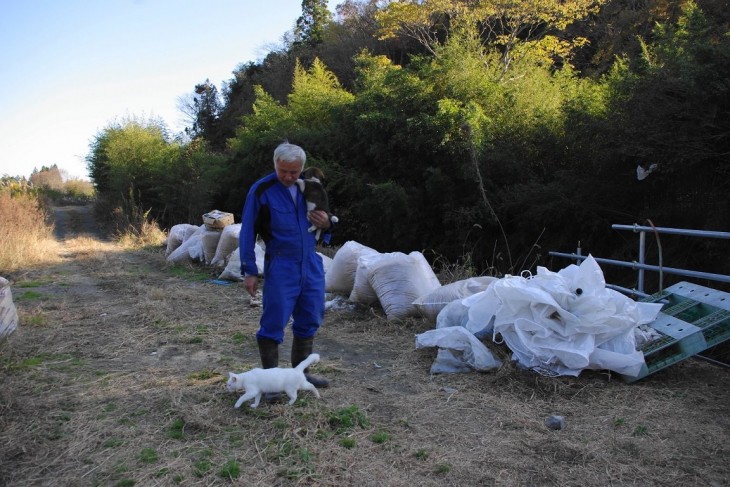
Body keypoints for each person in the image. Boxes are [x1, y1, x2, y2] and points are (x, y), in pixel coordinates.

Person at [239, 142, 333, 391]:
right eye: (283, 171)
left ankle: (301, 376)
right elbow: (247, 230)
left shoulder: (310, 187)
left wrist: (326, 223)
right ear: (275, 165)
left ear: (302, 167)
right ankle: (269, 384)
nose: (289, 177)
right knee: (273, 321)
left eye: (294, 172)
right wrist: (249, 270)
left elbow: (324, 220)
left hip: (310, 262)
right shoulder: (262, 190)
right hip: (281, 263)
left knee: (310, 317)